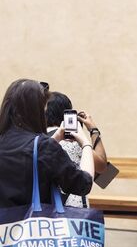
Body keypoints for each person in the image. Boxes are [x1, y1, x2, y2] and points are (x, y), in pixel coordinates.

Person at [0, 79, 94, 208]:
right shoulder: (47, 146)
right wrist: (88, 139)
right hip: (36, 224)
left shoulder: (10, 141)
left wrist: (54, 139)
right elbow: (92, 181)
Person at [46, 91, 107, 208]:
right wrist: (93, 130)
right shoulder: (76, 141)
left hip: (48, 211)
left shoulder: (38, 142)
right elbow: (104, 172)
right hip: (76, 211)